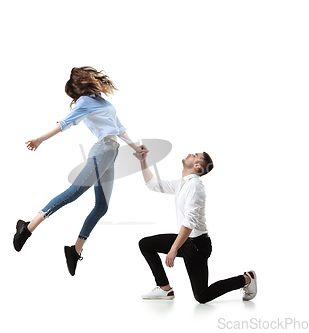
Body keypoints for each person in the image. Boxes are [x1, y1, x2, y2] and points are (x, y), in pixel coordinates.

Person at [13, 66, 145, 276]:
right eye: (88, 76)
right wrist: (40, 139)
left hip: (111, 154)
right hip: (102, 151)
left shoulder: (103, 100)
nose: (93, 77)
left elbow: (119, 128)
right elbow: (64, 123)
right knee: (74, 192)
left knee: (101, 207)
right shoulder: (84, 102)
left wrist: (136, 147)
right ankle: (27, 228)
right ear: (83, 81)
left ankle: (75, 250)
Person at [135, 148, 257, 303]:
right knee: (146, 244)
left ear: (198, 166)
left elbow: (189, 222)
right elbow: (154, 185)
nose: (190, 154)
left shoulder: (195, 186)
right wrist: (143, 161)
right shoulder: (182, 184)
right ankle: (164, 288)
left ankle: (246, 279)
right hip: (186, 240)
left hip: (197, 246)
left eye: (195, 155)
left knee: (202, 296)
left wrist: (173, 249)